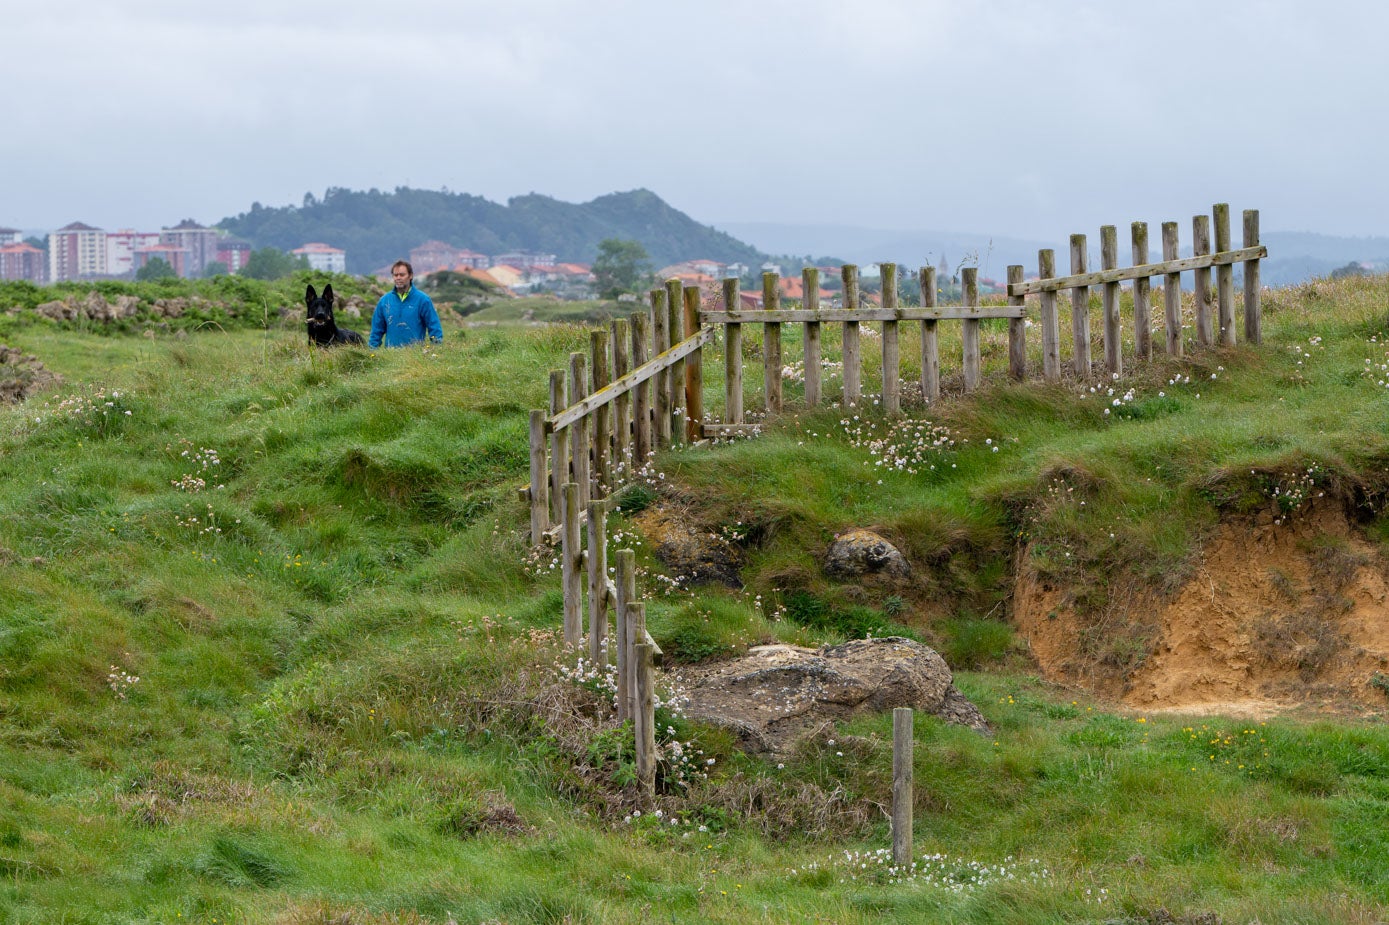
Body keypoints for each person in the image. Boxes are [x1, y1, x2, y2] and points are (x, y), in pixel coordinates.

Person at [369, 260, 443, 348]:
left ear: (410, 276)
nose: (398, 278)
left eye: (402, 275)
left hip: (415, 357)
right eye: (395, 275)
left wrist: (436, 351)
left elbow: (434, 328)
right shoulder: (384, 301)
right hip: (390, 356)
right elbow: (376, 331)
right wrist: (372, 353)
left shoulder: (423, 300)